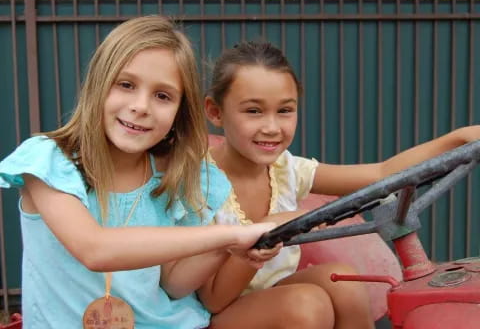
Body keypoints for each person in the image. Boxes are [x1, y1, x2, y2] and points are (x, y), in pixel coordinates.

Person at [0, 17, 274, 329]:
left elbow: (173, 284)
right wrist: (226, 234)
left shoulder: (175, 176)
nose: (141, 106)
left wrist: (225, 249)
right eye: (126, 85)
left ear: (179, 111)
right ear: (98, 84)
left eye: (163, 96)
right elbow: (94, 249)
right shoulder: (48, 161)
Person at [201, 41, 480, 329]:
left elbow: (381, 173)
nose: (272, 127)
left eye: (284, 110)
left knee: (343, 281)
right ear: (215, 111)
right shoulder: (195, 181)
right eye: (253, 111)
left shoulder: (286, 170)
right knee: (305, 305)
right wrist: (267, 228)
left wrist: (459, 139)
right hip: (214, 313)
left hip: (273, 293)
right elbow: (213, 300)